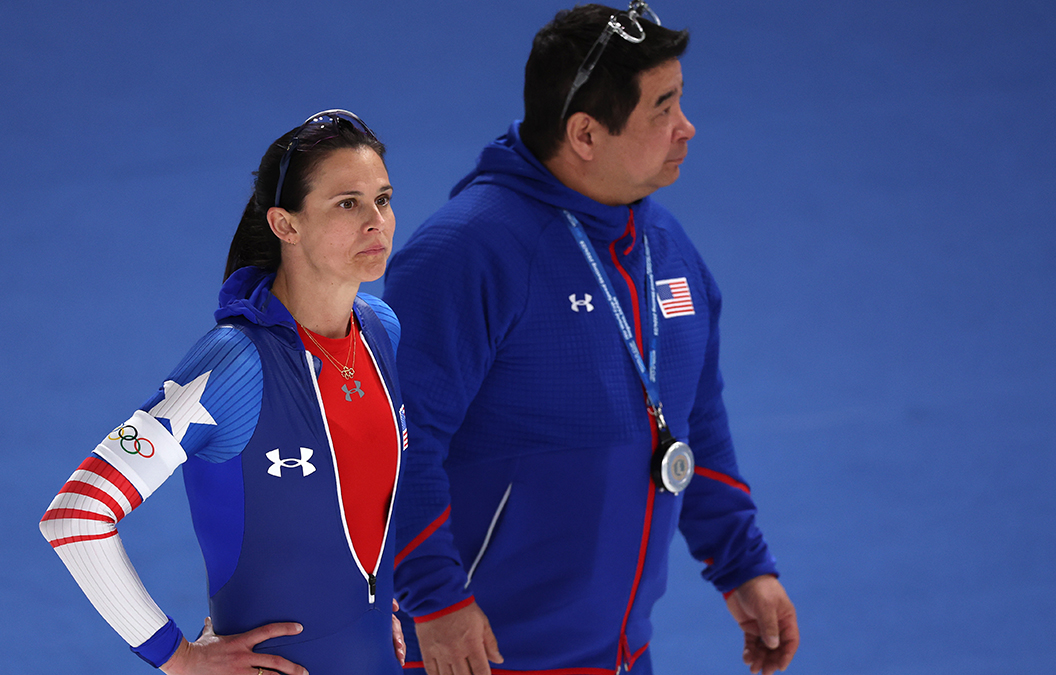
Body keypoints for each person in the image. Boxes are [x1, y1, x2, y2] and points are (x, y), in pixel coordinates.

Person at [384, 4, 799, 675]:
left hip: (618, 658)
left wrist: (741, 561)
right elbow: (393, 441)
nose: (686, 128)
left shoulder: (665, 248)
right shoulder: (465, 256)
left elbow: (695, 419)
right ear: (584, 133)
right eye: (662, 108)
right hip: (476, 658)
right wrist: (434, 601)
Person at [40, 110, 410, 674]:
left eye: (381, 199)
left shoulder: (380, 330)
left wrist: (374, 597)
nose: (375, 222)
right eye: (346, 203)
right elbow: (77, 514)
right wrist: (179, 658)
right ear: (286, 225)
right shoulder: (236, 366)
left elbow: (358, 501)